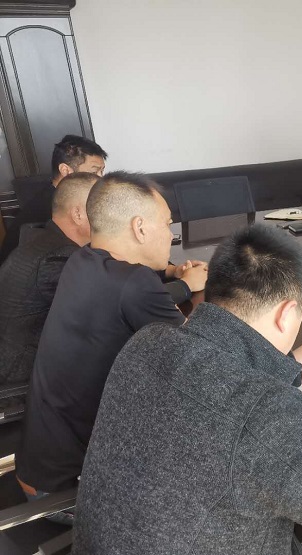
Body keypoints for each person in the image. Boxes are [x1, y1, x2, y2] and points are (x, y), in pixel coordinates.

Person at [72, 224, 302, 555]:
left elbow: (212, 392)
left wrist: (286, 368)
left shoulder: (146, 342)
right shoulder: (266, 416)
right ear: (287, 314)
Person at [15, 172, 201, 511]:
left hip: (39, 463)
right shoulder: (134, 283)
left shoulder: (81, 259)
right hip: (68, 490)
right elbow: (202, 361)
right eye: (167, 224)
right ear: (139, 228)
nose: (170, 235)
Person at [0, 173, 97, 414]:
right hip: (19, 386)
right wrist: (182, 287)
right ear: (78, 214)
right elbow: (104, 306)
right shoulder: (58, 257)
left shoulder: (42, 238)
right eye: (101, 206)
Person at [0, 135, 107, 263]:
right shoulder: (51, 208)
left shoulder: (57, 195)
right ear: (65, 170)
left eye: (102, 172)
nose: (100, 179)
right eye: (94, 173)